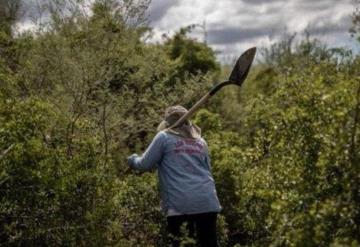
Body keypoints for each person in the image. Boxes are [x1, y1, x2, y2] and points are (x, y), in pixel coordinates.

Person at [127, 105, 221, 247]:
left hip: (180, 204)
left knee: (181, 243)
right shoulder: (201, 142)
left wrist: (132, 159)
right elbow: (208, 170)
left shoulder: (164, 137)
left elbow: (144, 165)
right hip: (207, 201)